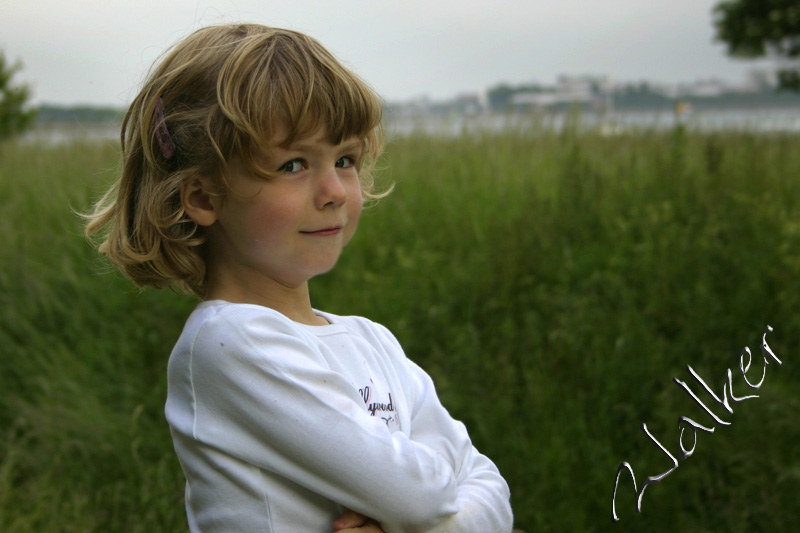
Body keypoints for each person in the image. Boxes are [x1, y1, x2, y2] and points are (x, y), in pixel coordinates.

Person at [85, 23, 513, 532]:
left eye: (346, 159)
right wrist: (438, 508)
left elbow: (489, 486)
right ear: (202, 197)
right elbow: (424, 496)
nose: (334, 190)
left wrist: (437, 518)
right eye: (293, 164)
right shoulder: (231, 343)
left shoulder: (374, 342)